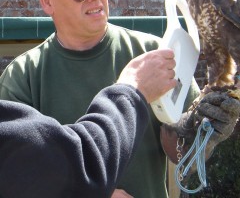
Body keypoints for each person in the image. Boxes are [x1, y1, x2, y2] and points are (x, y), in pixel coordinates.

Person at [0, 0, 240, 198]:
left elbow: (179, 152)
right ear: (47, 2)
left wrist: (203, 134)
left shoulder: (154, 53)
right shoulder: (23, 76)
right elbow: (17, 177)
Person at [0, 49, 177, 198]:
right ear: (47, 5)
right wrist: (133, 89)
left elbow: (190, 146)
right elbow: (77, 165)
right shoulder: (24, 72)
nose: (94, 4)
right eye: (78, 3)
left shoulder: (153, 52)